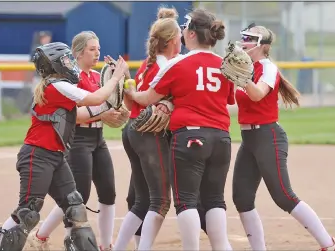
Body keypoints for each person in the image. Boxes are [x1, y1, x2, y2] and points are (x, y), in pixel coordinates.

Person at [0, 42, 128, 251]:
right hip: (37, 156)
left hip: (56, 157)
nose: (70, 63)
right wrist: (116, 78)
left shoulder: (61, 88)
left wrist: (110, 105)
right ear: (55, 65)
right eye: (66, 60)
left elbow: (87, 111)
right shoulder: (57, 86)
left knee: (75, 208)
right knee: (28, 212)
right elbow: (95, 98)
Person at [124, 8, 235, 251]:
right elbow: (228, 100)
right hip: (222, 138)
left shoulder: (177, 63)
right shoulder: (224, 65)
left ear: (192, 34)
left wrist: (130, 93)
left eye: (185, 29)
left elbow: (147, 98)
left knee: (186, 202)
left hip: (190, 137)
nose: (182, 33)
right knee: (215, 200)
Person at [232, 23, 335, 251]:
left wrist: (241, 76)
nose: (244, 41)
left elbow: (258, 94)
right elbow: (230, 101)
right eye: (244, 37)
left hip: (268, 136)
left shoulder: (267, 67)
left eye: (250, 38)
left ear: (263, 45)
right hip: (248, 139)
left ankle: (327, 243)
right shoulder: (244, 67)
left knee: (283, 196)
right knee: (241, 198)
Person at [24, 31, 128, 251]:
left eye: (98, 48)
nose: (97, 53)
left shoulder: (95, 76)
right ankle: (41, 236)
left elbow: (104, 107)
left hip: (98, 139)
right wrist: (103, 113)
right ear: (78, 53)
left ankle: (106, 245)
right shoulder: (73, 79)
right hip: (79, 140)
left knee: (108, 191)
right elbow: (77, 116)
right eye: (92, 49)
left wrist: (118, 113)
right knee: (78, 195)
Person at [114, 7, 181, 251]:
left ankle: (118, 247)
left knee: (141, 201)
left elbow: (133, 100)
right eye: (180, 37)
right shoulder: (169, 66)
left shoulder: (147, 63)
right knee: (161, 201)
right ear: (173, 40)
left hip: (133, 130)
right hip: (148, 135)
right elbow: (144, 98)